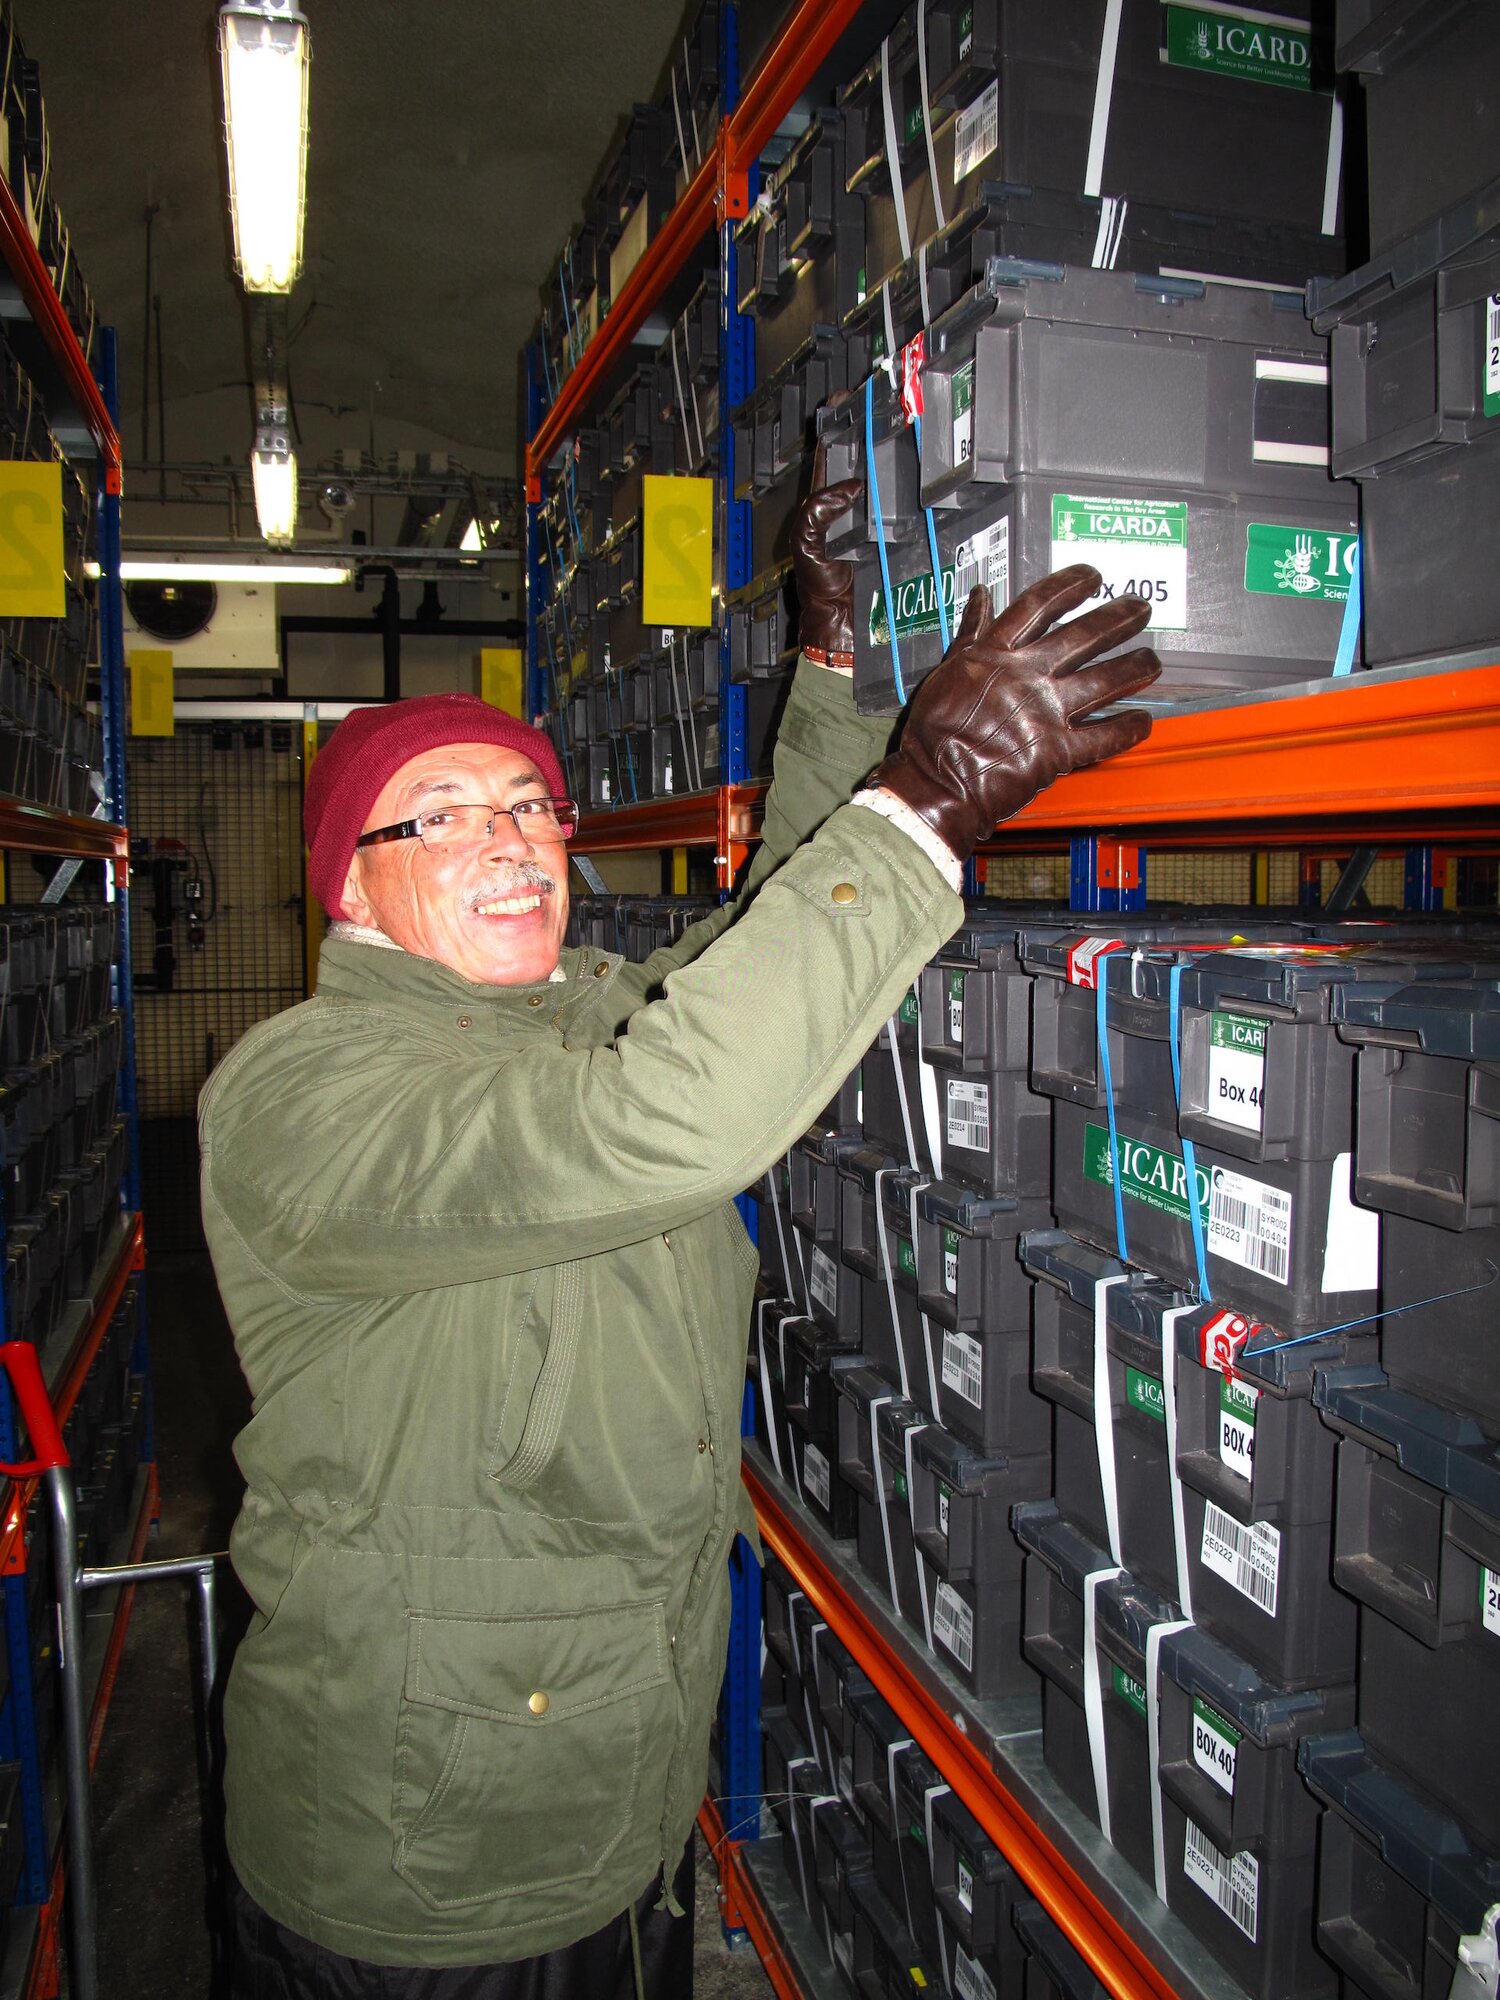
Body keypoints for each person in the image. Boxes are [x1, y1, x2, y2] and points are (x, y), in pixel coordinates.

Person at [200, 457, 1159, 1999]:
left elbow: (772, 935)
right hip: (422, 1849)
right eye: (438, 821)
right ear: (352, 899)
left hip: (612, 1785)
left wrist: (835, 675)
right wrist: (929, 800)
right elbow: (670, 1115)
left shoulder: (569, 1014)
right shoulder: (298, 1097)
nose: (511, 841)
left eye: (529, 805)